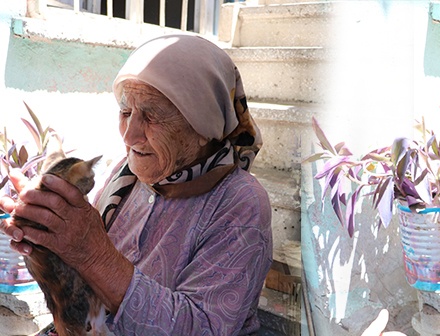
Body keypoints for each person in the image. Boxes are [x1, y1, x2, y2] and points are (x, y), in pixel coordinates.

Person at [0, 34, 273, 335]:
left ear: (204, 127)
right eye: (126, 112)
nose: (129, 137)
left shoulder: (239, 202)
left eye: (151, 116)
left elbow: (202, 328)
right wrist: (48, 239)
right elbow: (82, 292)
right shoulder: (126, 176)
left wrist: (91, 252)